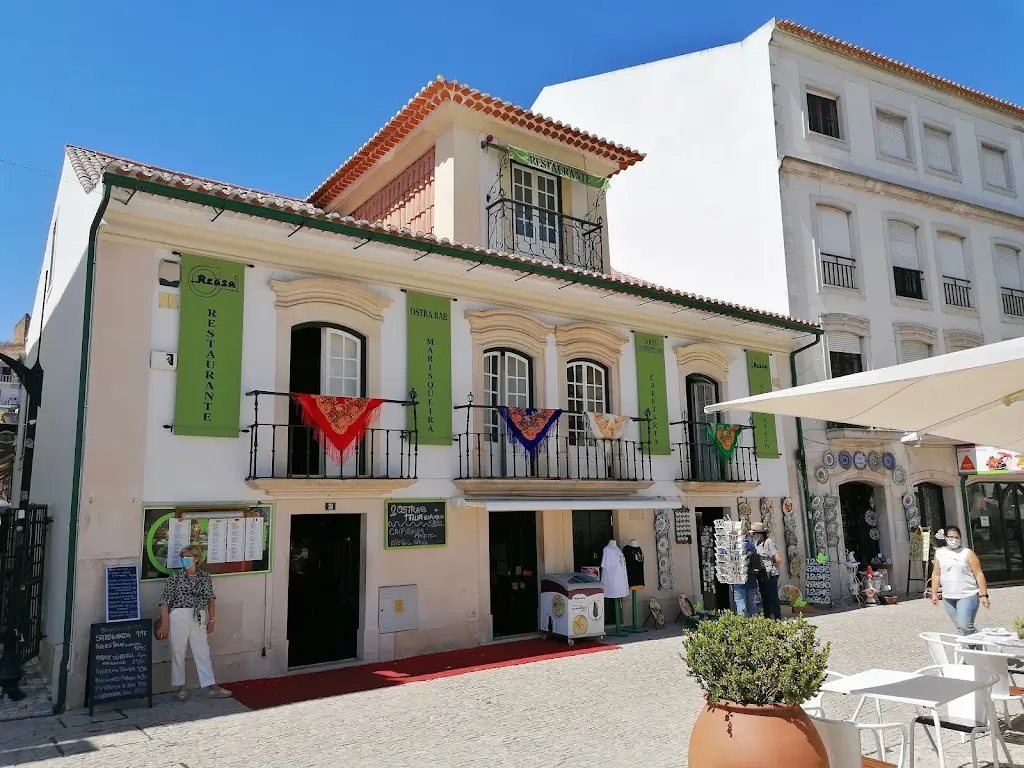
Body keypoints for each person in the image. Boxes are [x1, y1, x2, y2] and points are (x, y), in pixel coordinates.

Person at [156, 544, 233, 700]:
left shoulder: (204, 577)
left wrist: (212, 619)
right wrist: (165, 624)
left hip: (199, 616)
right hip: (179, 615)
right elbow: (164, 602)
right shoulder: (175, 578)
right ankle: (181, 688)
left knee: (203, 651)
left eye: (189, 557)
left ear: (197, 559)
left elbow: (211, 599)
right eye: (183, 557)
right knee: (178, 651)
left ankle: (211, 685)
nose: (185, 560)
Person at [930, 525, 989, 636]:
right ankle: (970, 651)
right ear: (945, 538)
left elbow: (978, 574)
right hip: (948, 597)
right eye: (951, 537)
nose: (954, 540)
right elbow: (936, 574)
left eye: (957, 537)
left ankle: (980, 642)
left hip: (967, 594)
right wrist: (934, 593)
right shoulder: (940, 553)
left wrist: (984, 595)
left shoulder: (967, 553)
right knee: (960, 628)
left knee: (965, 625)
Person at [750, 522, 783, 619]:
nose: (753, 536)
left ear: (759, 533)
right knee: (764, 598)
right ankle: (767, 618)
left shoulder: (768, 542)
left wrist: (771, 569)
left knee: (772, 597)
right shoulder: (756, 544)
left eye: (754, 533)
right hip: (761, 574)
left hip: (770, 574)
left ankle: (778, 618)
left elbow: (778, 559)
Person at [733, 537, 764, 618]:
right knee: (752, 601)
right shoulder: (751, 546)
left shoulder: (733, 546)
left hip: (738, 579)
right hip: (751, 578)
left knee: (740, 601)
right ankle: (754, 623)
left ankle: (743, 623)